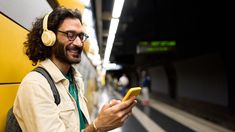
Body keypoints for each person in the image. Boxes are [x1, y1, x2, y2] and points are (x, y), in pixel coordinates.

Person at [13, 7, 136, 132]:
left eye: (81, 36)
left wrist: (105, 118)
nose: (78, 43)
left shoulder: (76, 79)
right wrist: (98, 126)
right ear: (49, 37)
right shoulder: (36, 85)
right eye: (70, 35)